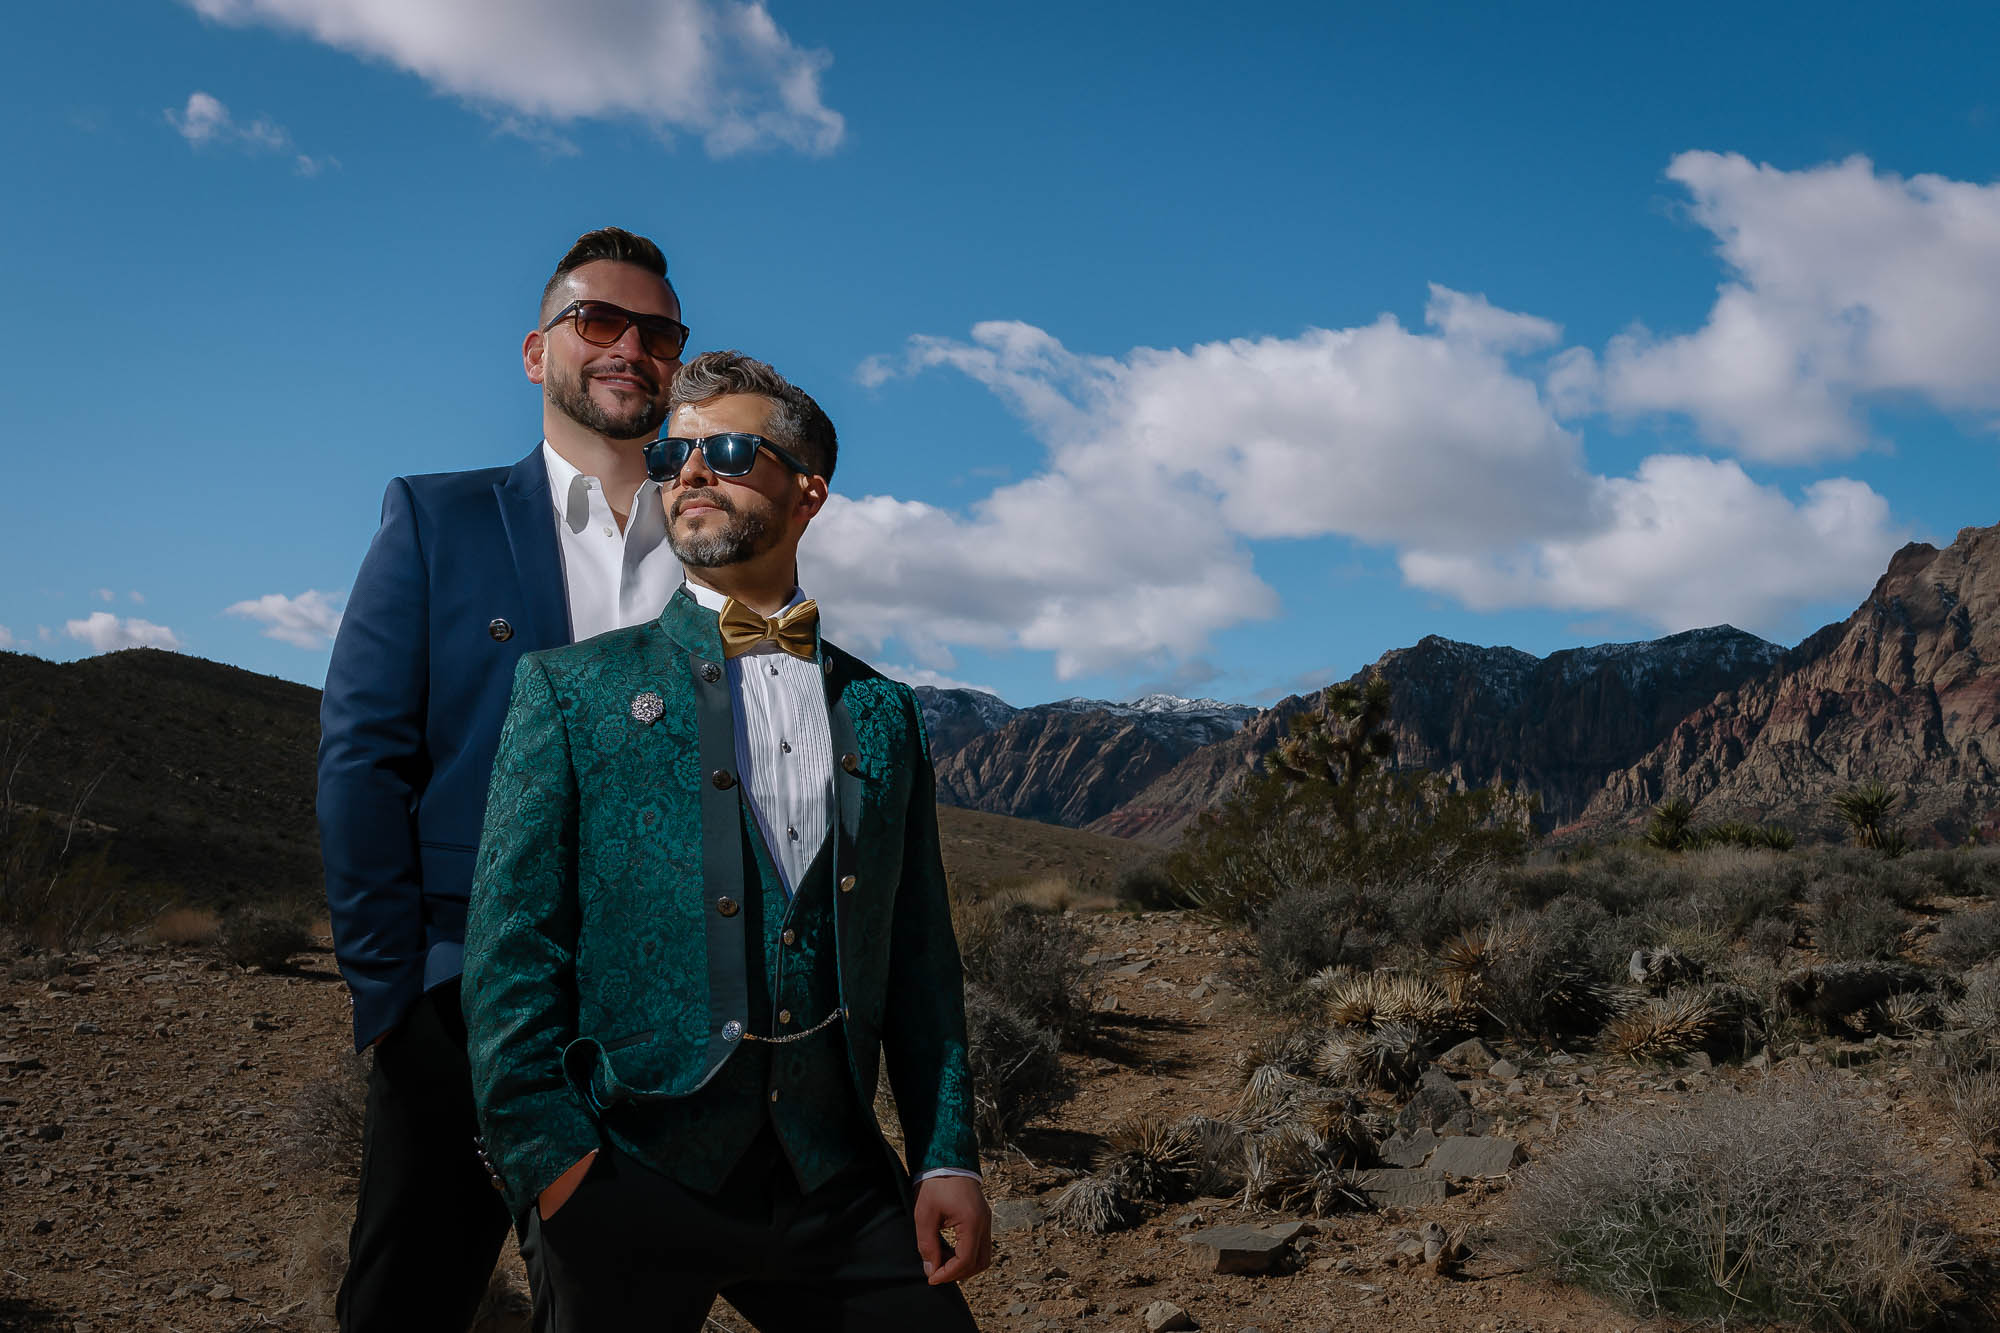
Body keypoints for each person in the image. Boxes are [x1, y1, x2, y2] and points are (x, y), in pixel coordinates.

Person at [463, 351, 992, 1331]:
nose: (687, 474)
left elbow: (920, 958)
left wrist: (945, 1153)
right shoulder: (569, 692)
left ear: (808, 490)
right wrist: (553, 1165)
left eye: (729, 451)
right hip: (628, 1170)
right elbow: (510, 952)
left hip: (832, 1174)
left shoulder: (884, 711)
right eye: (671, 453)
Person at [317, 226, 688, 1330]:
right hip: (459, 1003)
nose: (630, 345)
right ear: (538, 352)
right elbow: (360, 758)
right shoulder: (437, 520)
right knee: (405, 1303)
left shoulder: (717, 543)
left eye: (658, 332)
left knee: (609, 1305)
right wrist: (395, 1003)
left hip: (660, 1017)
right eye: (600, 321)